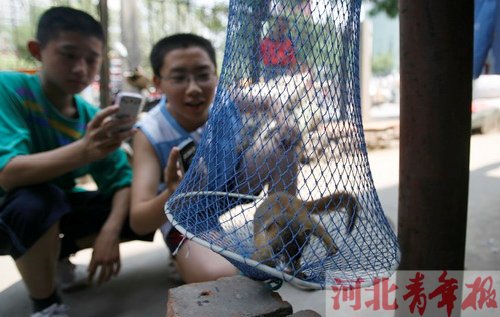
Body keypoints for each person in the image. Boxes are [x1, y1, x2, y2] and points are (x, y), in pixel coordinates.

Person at [0, 7, 152, 316]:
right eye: (69, 55)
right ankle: (46, 305)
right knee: (37, 198)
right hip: (11, 210)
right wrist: (85, 150)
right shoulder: (9, 89)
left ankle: (55, 260)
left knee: (138, 209)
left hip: (50, 208)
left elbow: (122, 181)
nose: (80, 68)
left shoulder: (86, 114)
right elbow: (9, 175)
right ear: (37, 51)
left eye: (92, 59)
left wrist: (110, 232)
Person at [130, 33, 300, 284]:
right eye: (179, 78)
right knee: (220, 276)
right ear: (158, 83)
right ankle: (188, 257)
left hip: (228, 186)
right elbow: (139, 221)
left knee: (281, 145)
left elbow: (269, 100)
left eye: (202, 75)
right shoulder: (150, 133)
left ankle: (283, 240)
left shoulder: (224, 99)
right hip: (186, 213)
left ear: (216, 75)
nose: (194, 88)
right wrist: (173, 193)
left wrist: (285, 121)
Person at [259, 16, 298, 80]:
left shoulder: (288, 43)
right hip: (270, 70)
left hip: (283, 71)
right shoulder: (266, 42)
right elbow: (260, 56)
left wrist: (290, 71)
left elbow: (292, 62)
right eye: (279, 26)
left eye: (284, 28)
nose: (281, 29)